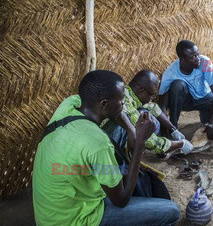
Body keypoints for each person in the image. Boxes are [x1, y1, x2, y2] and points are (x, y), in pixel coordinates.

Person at [32, 70, 180, 226]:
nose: (124, 104)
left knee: (120, 131)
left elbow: (119, 114)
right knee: (171, 212)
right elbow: (121, 200)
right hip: (76, 219)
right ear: (103, 104)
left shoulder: (71, 103)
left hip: (49, 214)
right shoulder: (97, 143)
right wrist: (140, 142)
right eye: (122, 100)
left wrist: (131, 130)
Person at [102, 69, 193, 156]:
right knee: (146, 121)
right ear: (141, 91)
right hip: (102, 143)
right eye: (152, 95)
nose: (152, 98)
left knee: (147, 114)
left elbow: (152, 106)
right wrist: (179, 144)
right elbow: (144, 135)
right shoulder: (124, 104)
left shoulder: (129, 93)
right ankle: (121, 157)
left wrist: (173, 130)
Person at [158, 40, 213, 140]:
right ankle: (174, 127)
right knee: (177, 85)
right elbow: (162, 104)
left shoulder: (204, 62)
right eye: (193, 57)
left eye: (198, 54)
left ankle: (206, 118)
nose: (198, 59)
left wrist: (212, 124)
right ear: (182, 60)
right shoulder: (171, 72)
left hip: (205, 97)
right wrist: (167, 128)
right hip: (186, 102)